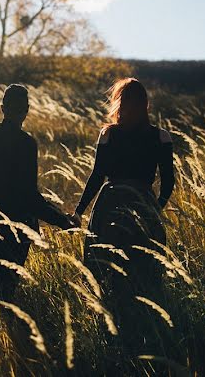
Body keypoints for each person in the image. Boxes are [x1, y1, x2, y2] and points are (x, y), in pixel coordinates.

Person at [0, 84, 77, 300]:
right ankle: (0, 326)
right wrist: (62, 220)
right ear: (27, 109)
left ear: (2, 108)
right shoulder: (25, 144)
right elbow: (28, 195)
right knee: (8, 287)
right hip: (18, 227)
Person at [71, 78, 175, 284]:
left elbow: (97, 175)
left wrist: (79, 211)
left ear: (120, 102)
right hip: (143, 201)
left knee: (103, 262)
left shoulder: (108, 133)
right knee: (146, 264)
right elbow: (168, 181)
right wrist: (156, 207)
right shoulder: (162, 136)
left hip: (110, 202)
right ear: (145, 104)